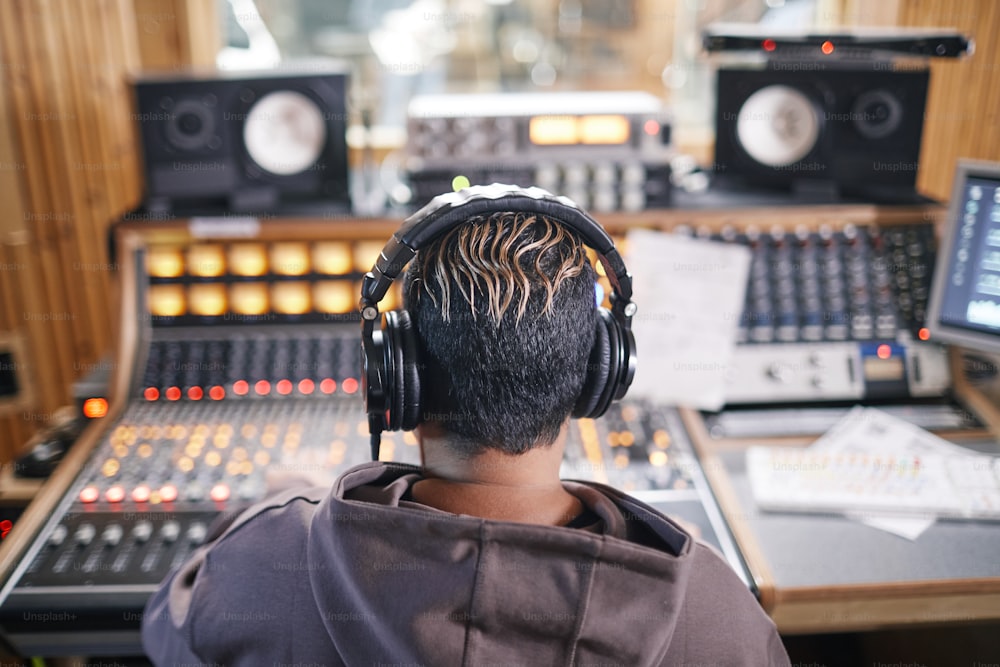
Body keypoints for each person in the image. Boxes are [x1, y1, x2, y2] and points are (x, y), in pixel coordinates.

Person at [142, 189, 790, 665]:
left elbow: (167, 625)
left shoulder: (263, 567)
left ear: (396, 379)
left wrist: (273, 506)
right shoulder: (713, 613)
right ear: (599, 373)